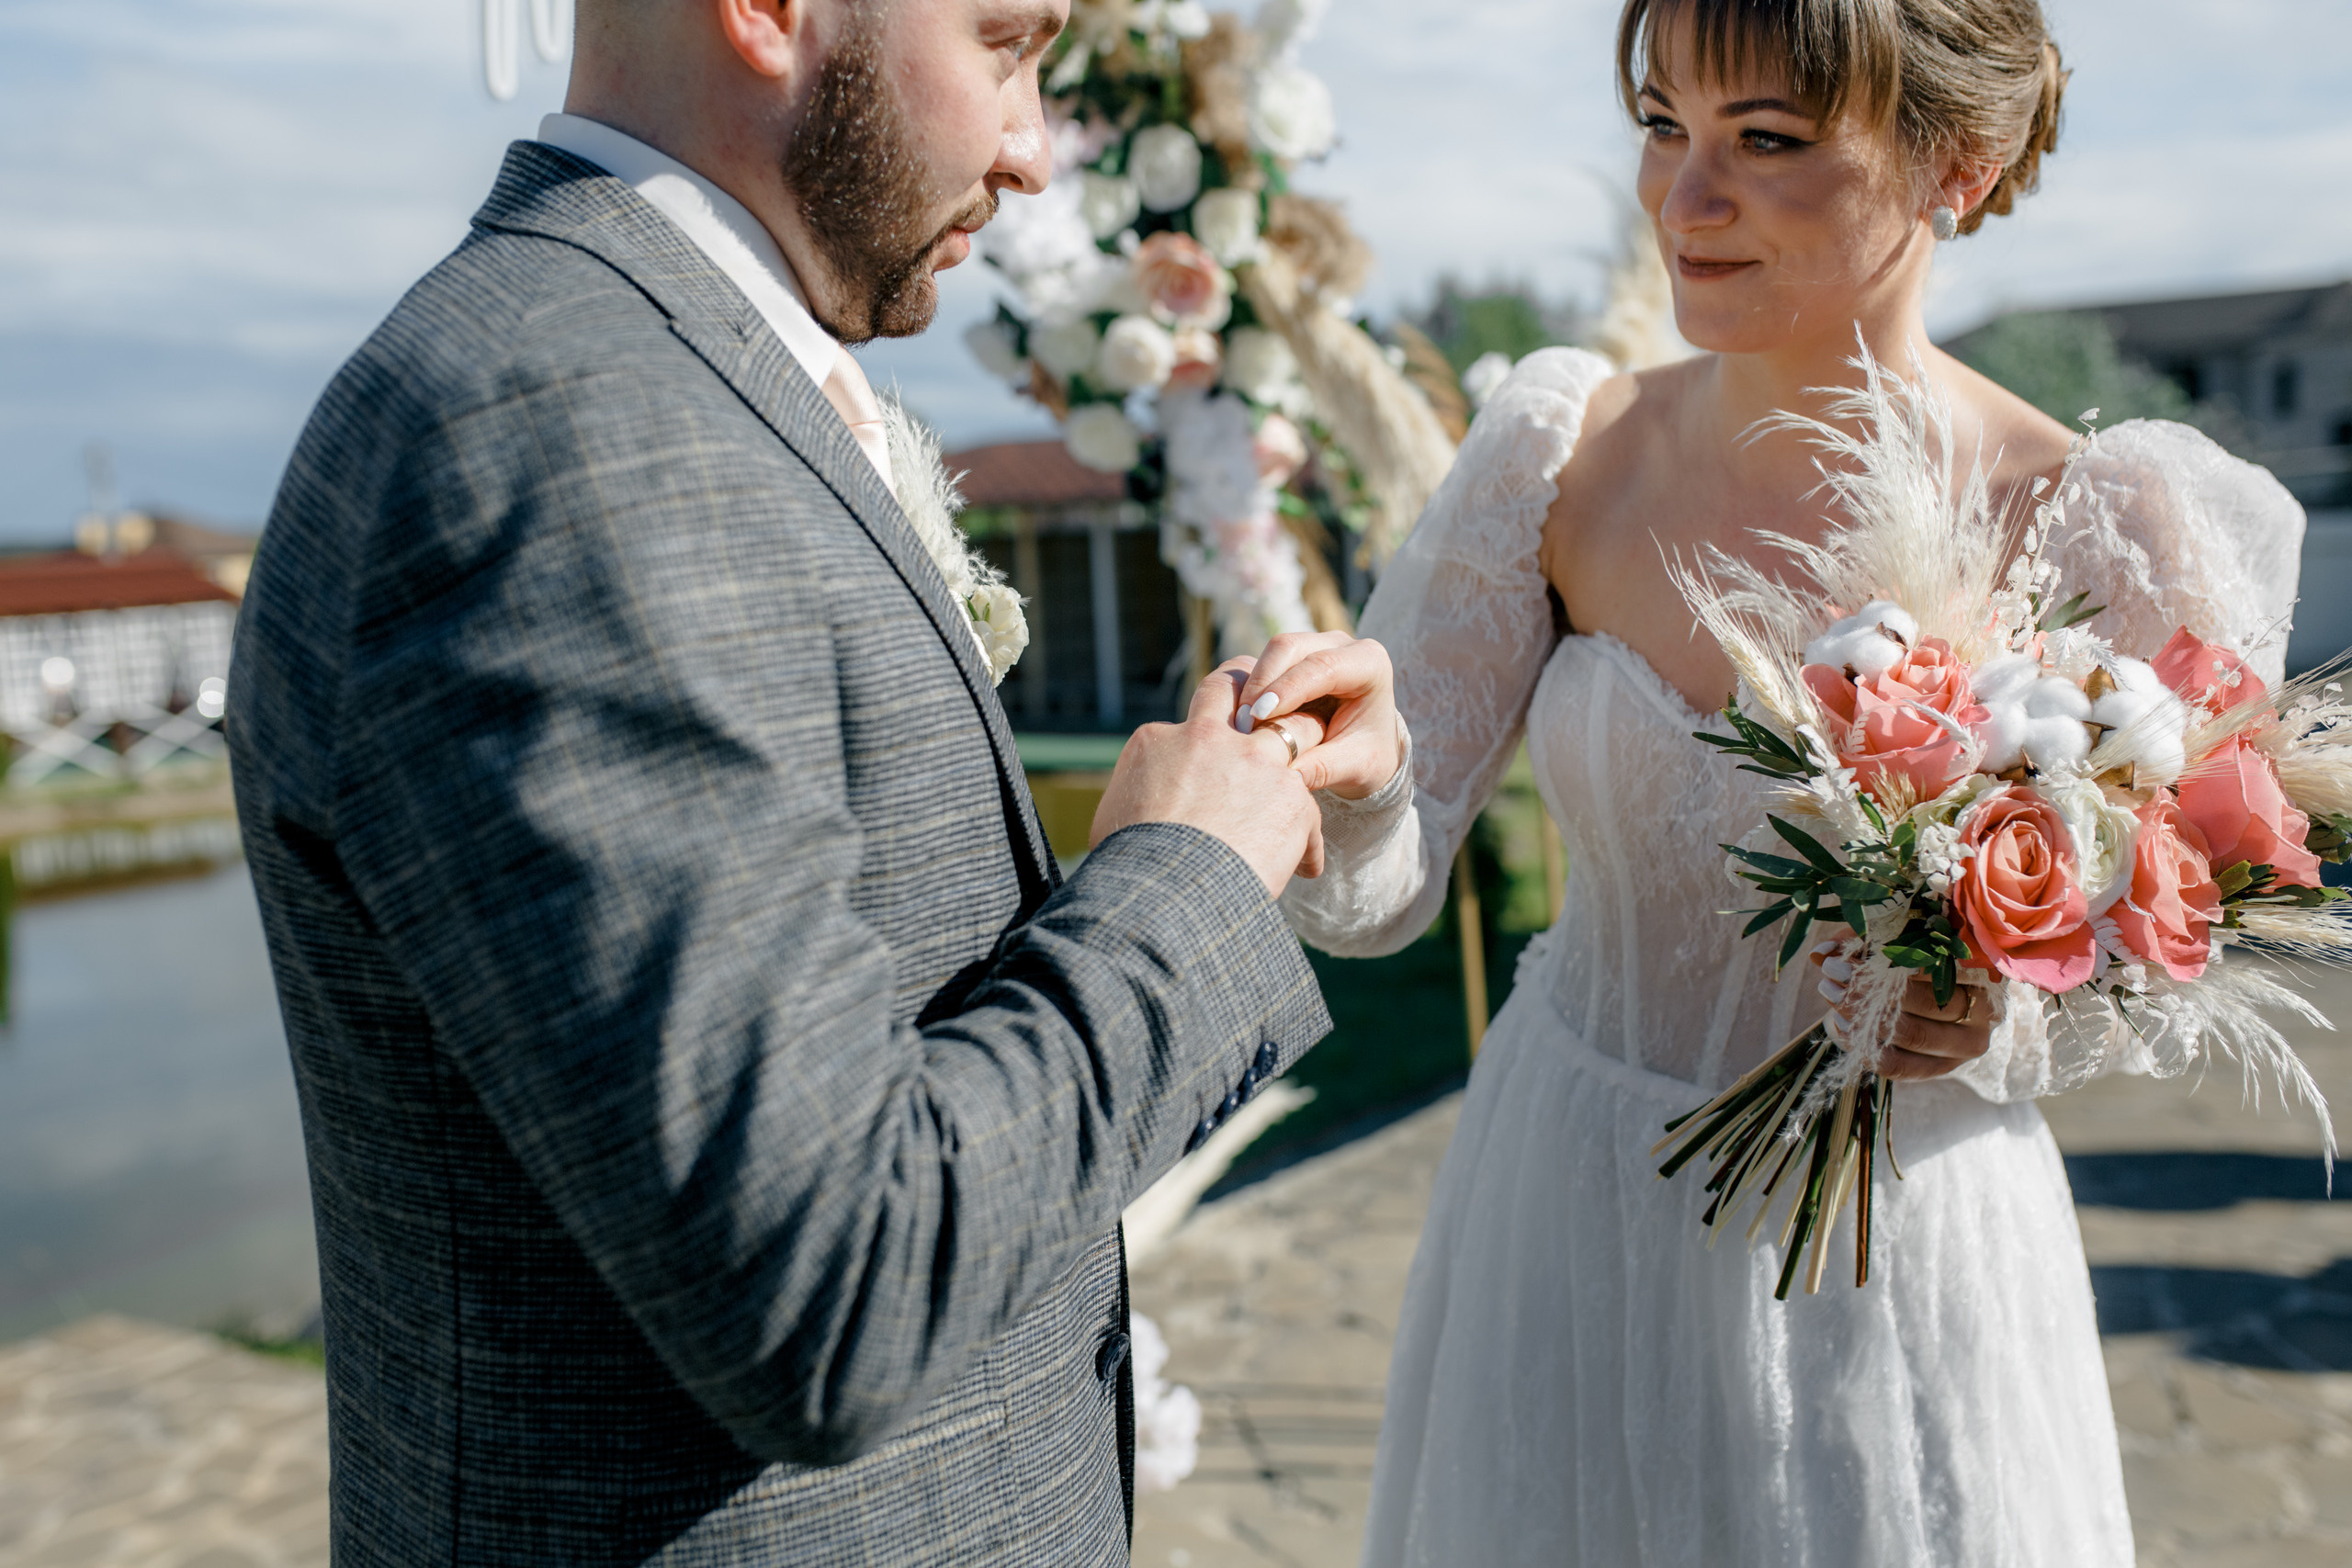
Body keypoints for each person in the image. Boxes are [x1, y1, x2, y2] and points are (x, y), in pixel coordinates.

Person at [227, 1, 1337, 1562]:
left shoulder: (683, 368)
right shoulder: (561, 438)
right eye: (1008, 40)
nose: (1032, 151)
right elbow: (831, 1291)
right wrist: (1181, 886)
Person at [1241, 0, 2307, 1562]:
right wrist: (1359, 769)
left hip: (1891, 1260)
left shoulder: (2107, 524)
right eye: (1665, 124)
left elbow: (2173, 955)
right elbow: (1379, 896)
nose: (1684, 199)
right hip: (1564, 1215)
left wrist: (2007, 1016)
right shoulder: (1561, 450)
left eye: (1768, 141)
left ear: (1963, 155)